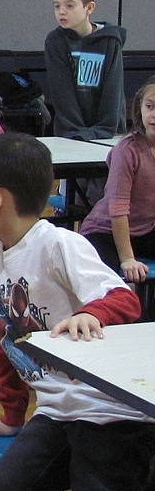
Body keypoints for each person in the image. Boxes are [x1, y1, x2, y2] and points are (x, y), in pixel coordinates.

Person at [0, 132, 155, 491]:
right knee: (5, 490)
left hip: (110, 414)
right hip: (57, 412)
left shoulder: (59, 245)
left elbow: (124, 298)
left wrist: (93, 314)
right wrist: (13, 415)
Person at [45, 0, 126, 209]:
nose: (62, 12)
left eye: (70, 5)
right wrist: (76, 133)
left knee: (101, 201)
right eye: (57, 6)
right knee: (74, 203)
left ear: (89, 7)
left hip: (107, 132)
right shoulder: (55, 41)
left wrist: (103, 130)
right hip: (72, 133)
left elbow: (113, 91)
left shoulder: (110, 41)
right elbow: (63, 94)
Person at [79, 75, 155, 314]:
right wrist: (127, 258)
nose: (154, 114)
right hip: (106, 231)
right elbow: (118, 209)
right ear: (140, 109)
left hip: (145, 228)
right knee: (105, 276)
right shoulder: (128, 150)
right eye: (150, 107)